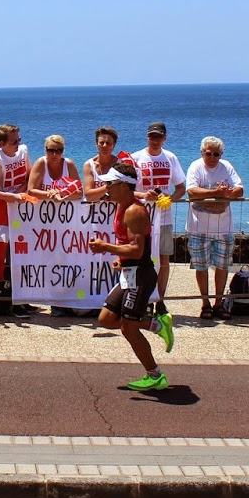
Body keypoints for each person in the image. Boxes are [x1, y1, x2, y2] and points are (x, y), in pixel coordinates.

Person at [87, 162, 176, 392]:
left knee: (128, 328)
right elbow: (128, 246)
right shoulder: (120, 205)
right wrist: (120, 258)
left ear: (124, 186)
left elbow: (137, 250)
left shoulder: (134, 211)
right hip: (129, 272)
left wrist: (106, 247)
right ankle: (156, 324)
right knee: (106, 319)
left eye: (110, 183)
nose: (106, 186)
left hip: (141, 275)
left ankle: (155, 375)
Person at [184, 136, 243, 319]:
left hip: (223, 227)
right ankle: (205, 303)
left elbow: (240, 190)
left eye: (216, 154)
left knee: (222, 266)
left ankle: (218, 303)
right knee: (201, 267)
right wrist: (218, 193)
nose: (212, 157)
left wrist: (225, 195)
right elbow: (192, 192)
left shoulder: (226, 166)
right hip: (198, 227)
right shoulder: (195, 166)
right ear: (202, 153)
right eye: (208, 153)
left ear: (221, 154)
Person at [131, 122, 185, 300]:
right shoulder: (135, 158)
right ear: (147, 137)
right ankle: (140, 297)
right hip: (140, 219)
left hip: (164, 219)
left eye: (159, 137)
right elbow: (126, 188)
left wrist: (170, 200)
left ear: (165, 138)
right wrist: (142, 195)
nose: (155, 140)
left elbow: (180, 187)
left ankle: (159, 298)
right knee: (139, 259)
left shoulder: (170, 158)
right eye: (152, 136)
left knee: (163, 261)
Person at [0, 124, 30, 204]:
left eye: (19, 140)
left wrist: (17, 194)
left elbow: (30, 177)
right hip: (4, 203)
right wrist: (12, 197)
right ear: (1, 144)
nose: (18, 144)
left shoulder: (23, 150)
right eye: (14, 142)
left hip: (22, 200)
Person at [28, 135, 82, 200]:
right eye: (51, 150)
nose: (54, 154)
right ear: (45, 150)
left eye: (58, 151)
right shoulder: (41, 163)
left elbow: (80, 193)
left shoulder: (69, 165)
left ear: (63, 151)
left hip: (64, 208)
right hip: (42, 208)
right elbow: (31, 191)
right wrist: (52, 195)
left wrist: (61, 193)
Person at [80, 126, 121, 202]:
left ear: (113, 146)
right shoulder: (89, 165)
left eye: (108, 143)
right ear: (96, 144)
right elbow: (89, 196)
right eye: (102, 143)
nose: (105, 146)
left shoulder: (120, 164)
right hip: (94, 212)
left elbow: (125, 193)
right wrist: (109, 187)